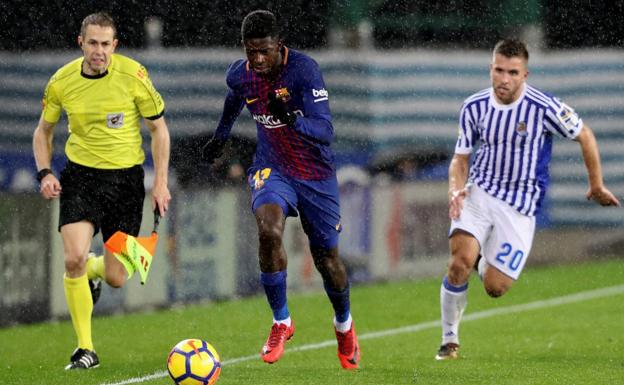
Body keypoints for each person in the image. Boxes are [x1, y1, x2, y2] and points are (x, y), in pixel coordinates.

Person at [435, 38, 620, 360]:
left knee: (495, 287)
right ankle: (449, 341)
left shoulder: (544, 107)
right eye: (498, 70)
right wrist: (455, 189)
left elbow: (585, 135)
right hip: (480, 192)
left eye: (512, 72)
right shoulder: (474, 106)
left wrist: (596, 184)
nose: (504, 79)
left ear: (525, 75)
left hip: (520, 206)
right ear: (490, 69)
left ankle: (481, 258)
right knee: (457, 263)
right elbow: (460, 158)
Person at [201, 10, 360, 369]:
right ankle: (281, 321)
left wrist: (292, 118)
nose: (257, 59)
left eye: (265, 51)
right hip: (272, 168)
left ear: (279, 46)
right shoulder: (240, 75)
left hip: (315, 175)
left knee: (327, 260)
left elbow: (326, 131)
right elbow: (235, 97)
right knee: (268, 231)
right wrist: (221, 135)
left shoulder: (304, 71)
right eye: (250, 51)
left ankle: (344, 326)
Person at [32, 12, 171, 370]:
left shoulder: (134, 75)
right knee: (72, 258)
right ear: (81, 43)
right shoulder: (61, 81)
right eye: (92, 43)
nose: (99, 51)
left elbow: (160, 131)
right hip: (80, 178)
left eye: (105, 44)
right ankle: (85, 349)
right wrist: (45, 172)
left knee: (116, 277)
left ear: (115, 45)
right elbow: (42, 132)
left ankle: (95, 272)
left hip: (125, 182)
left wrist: (159, 182)